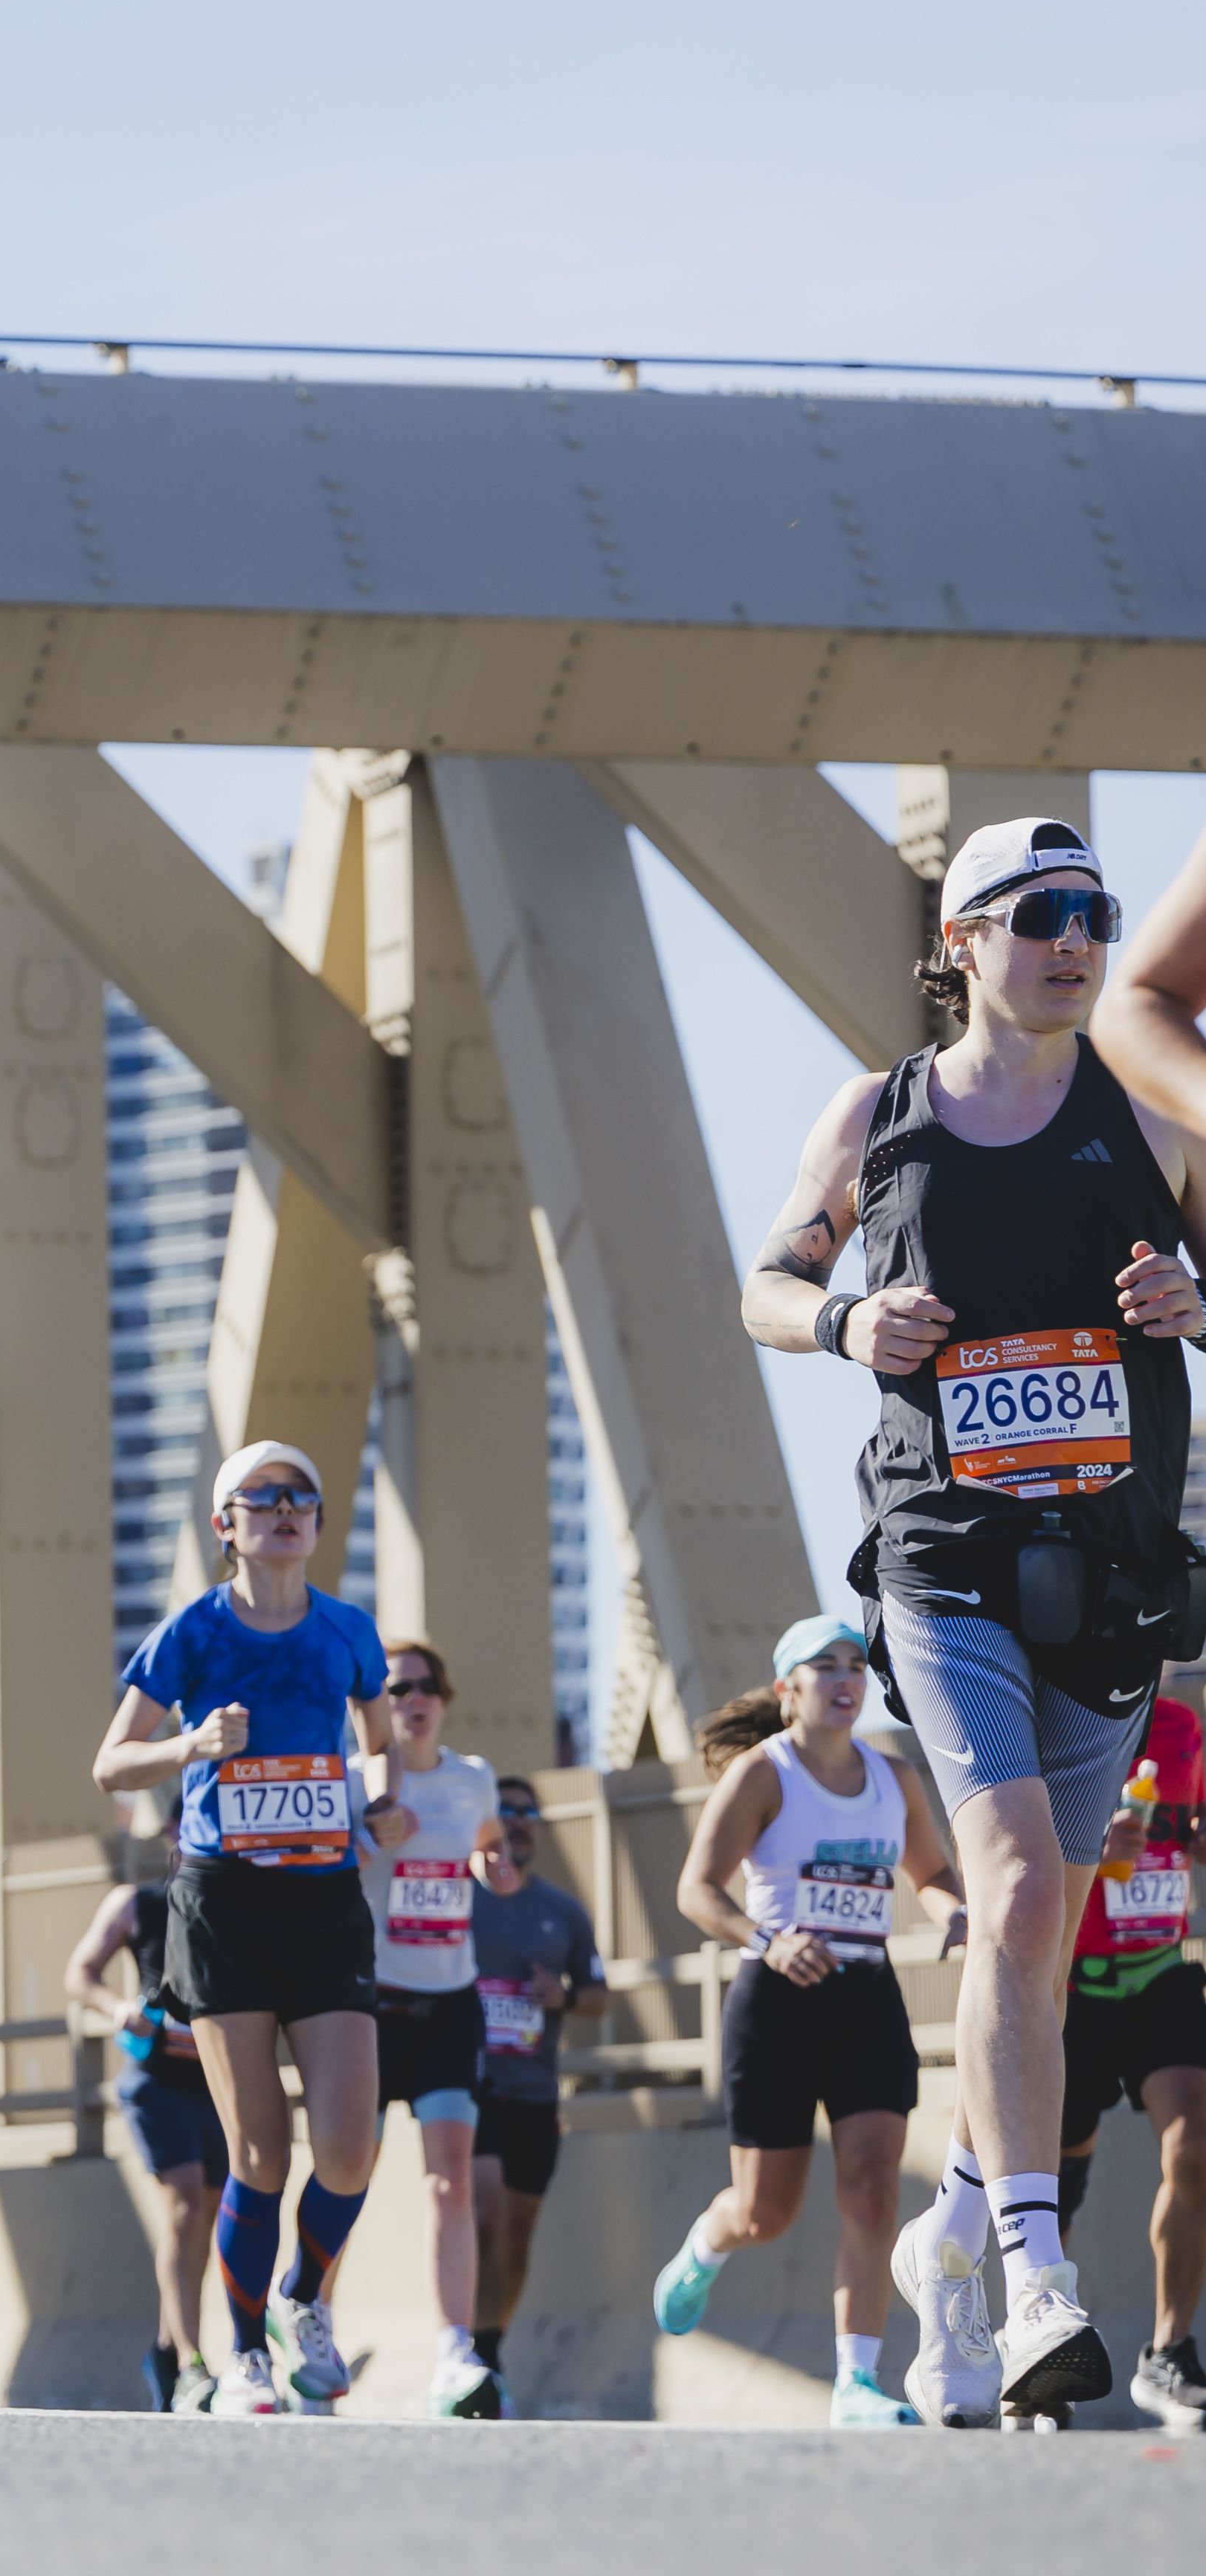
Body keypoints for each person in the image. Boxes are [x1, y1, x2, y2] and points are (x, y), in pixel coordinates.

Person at [755, 814, 1206, 2426]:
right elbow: (764, 1281)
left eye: (1095, 911)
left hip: (1111, 1581)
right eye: (1039, 914)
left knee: (1032, 1927)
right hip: (943, 1565)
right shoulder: (878, 1118)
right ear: (961, 942)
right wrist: (841, 1313)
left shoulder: (1147, 1117)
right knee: (1010, 1877)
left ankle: (953, 2239)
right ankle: (1035, 2277)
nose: (1079, 938)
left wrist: (1193, 1303)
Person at [91, 1439, 401, 2419]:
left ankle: (303, 2299)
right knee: (259, 2150)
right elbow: (111, 1763)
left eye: (299, 1497)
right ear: (225, 1526)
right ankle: (242, 2359)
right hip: (223, 1898)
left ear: (316, 1521)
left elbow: (379, 1742)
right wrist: (191, 1743)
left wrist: (379, 1803)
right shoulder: (192, 1634)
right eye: (258, 1498)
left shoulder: (347, 1631)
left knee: (350, 2144)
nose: (282, 1509)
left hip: (322, 1896)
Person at [649, 1622, 961, 2424]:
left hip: (865, 1997)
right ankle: (706, 2244)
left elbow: (928, 1871)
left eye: (857, 1663)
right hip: (776, 2001)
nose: (845, 1676)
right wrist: (768, 1938)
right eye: (824, 1665)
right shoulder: (764, 1772)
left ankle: (855, 2381)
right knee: (766, 2210)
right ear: (788, 1688)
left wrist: (956, 1911)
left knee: (870, 2184)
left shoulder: (894, 1776)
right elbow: (698, 1887)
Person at [356, 1640, 513, 2417]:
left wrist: (493, 1865)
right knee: (343, 2176)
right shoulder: (359, 1783)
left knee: (449, 2178)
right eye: (395, 1688)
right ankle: (307, 2327)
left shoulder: (471, 1776)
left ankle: (455, 2349)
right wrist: (365, 1838)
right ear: (375, 1704)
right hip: (371, 2006)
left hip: (450, 2000)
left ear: (443, 1697)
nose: (412, 1698)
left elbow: (486, 1842)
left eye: (424, 1686)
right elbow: (318, 1875)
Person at [1060, 1676, 1205, 2424]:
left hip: (1160, 1969)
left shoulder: (1182, 1725)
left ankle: (1168, 2352)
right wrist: (1086, 1844)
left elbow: (1192, 1824)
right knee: (1058, 2181)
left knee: (1194, 2149)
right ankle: (1042, 2352)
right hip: (1075, 1983)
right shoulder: (1063, 1714)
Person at [71, 1835, 222, 2412]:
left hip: (213, 2081)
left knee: (207, 2215)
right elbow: (78, 1973)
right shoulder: (136, 1904)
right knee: (184, 2203)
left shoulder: (235, 1906)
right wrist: (117, 2008)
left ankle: (166, 2347)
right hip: (154, 2080)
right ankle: (190, 2361)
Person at [465, 1771, 602, 2407]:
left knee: (516, 2233)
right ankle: (462, 2351)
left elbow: (597, 1994)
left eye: (527, 1811)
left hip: (535, 2092)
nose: (517, 1820)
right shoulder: (457, 1900)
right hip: (471, 2090)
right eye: (505, 1809)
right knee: (483, 2215)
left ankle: (488, 2354)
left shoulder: (560, 1911)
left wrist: (563, 1996)